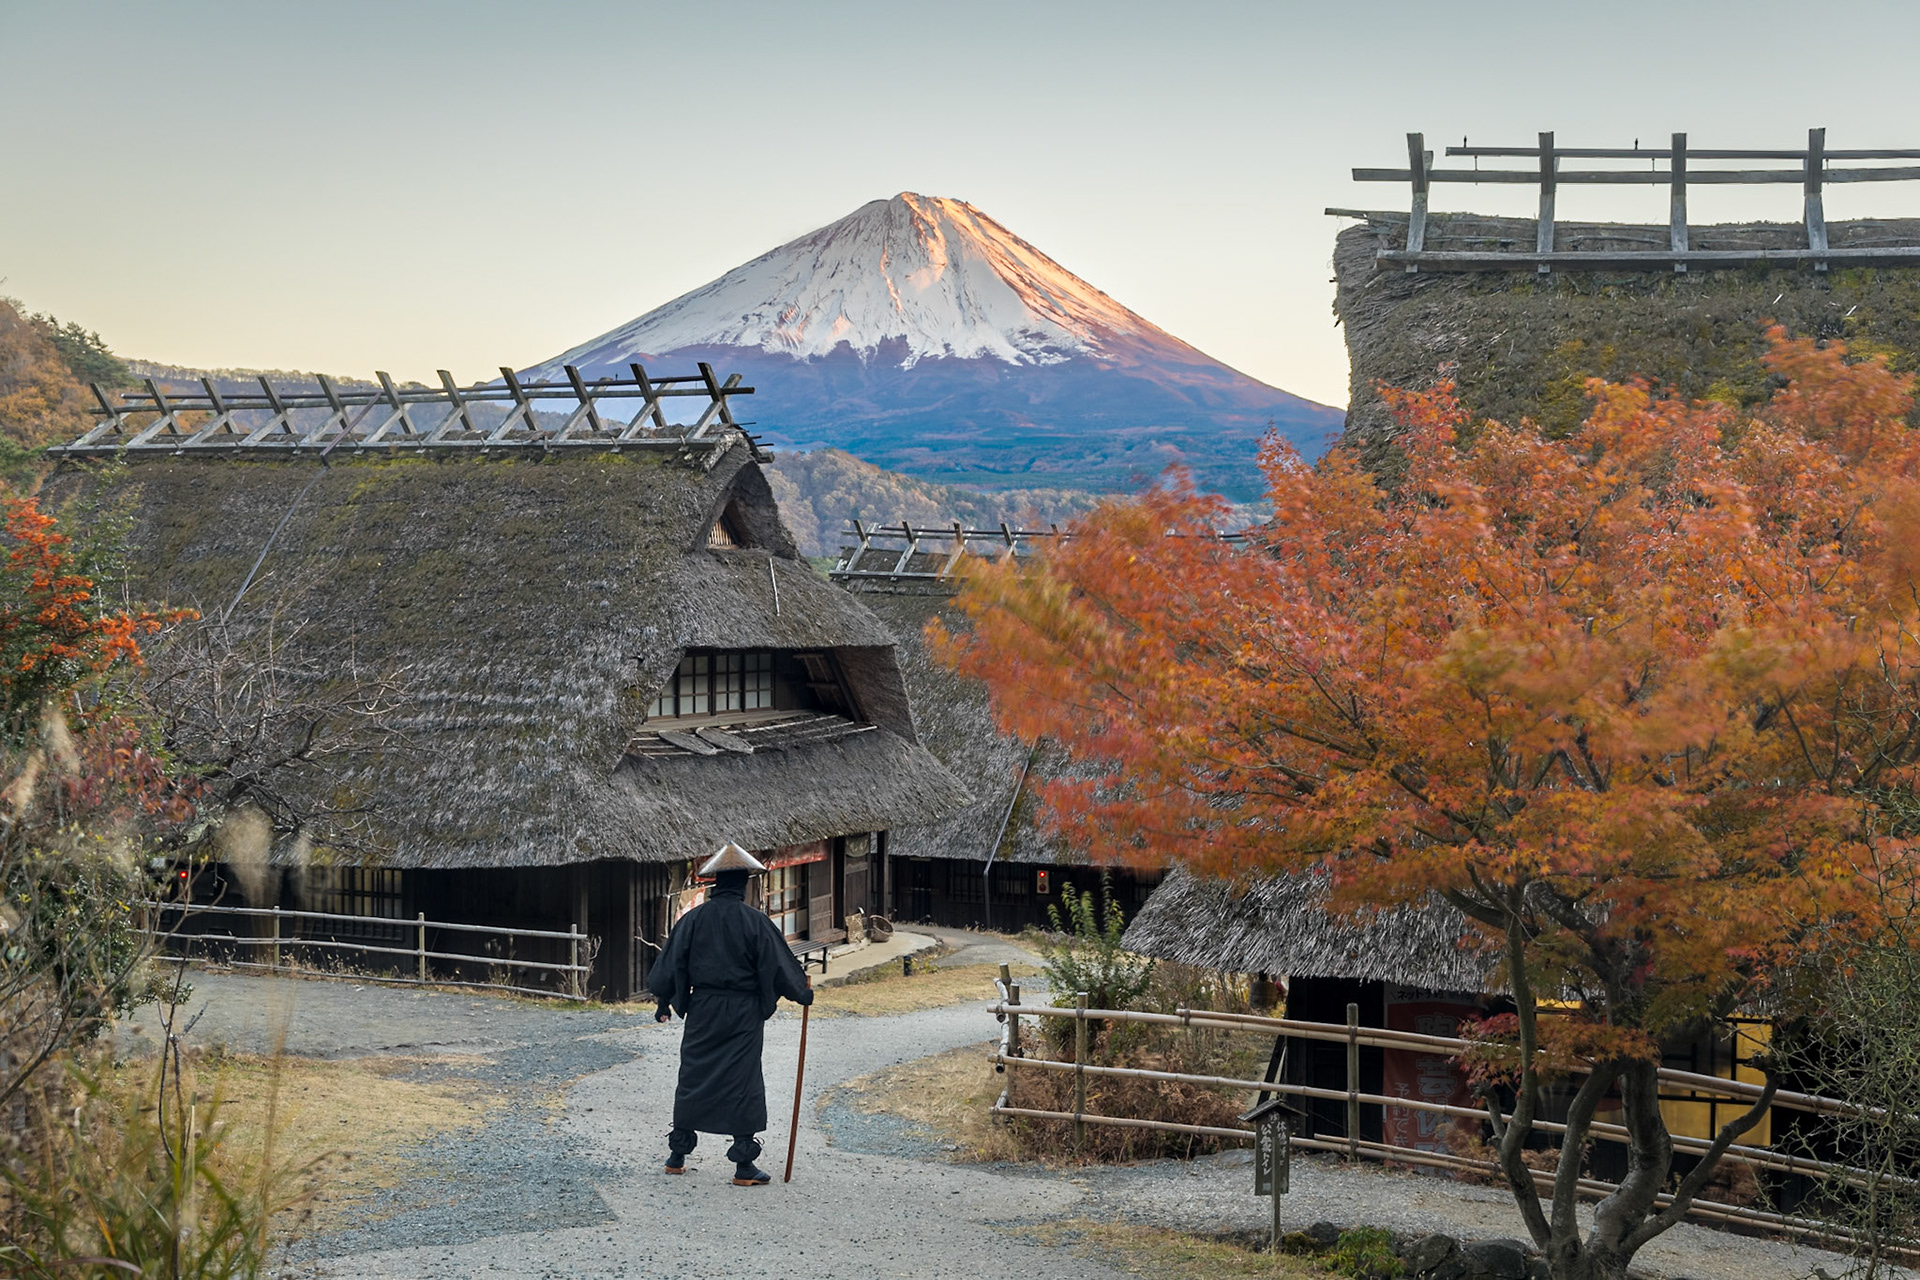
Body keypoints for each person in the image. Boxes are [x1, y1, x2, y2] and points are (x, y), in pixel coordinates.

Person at [647, 841, 814, 1185]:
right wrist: (802, 993)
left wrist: (664, 1002)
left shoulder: (693, 920)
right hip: (743, 1012)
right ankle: (743, 1166)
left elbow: (669, 963)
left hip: (703, 1008)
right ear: (743, 885)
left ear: (715, 883)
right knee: (743, 1081)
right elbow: (779, 964)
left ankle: (677, 1155)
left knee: (694, 1076)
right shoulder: (756, 922)